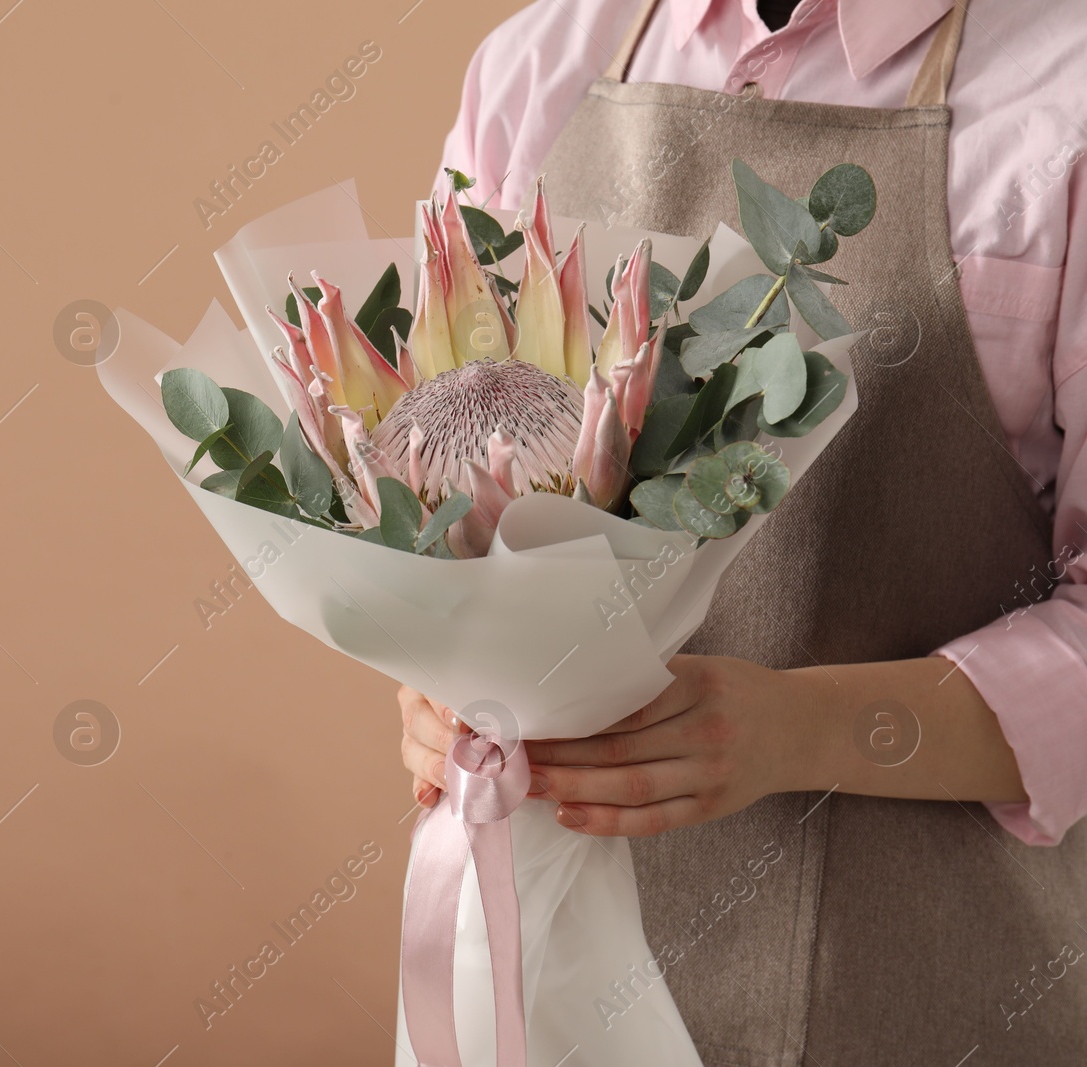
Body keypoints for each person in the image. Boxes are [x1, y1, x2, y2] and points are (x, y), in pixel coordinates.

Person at [397, 0, 1087, 1062]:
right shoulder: (539, 63)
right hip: (537, 971)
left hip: (919, 977)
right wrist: (432, 684)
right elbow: (429, 486)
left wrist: (803, 727)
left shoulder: (1063, 94)